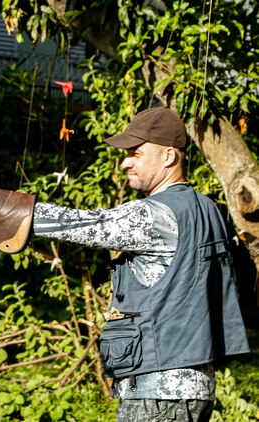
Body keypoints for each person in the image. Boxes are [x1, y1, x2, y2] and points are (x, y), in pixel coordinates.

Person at [29, 107, 250, 421]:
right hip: (195, 388)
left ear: (169, 157)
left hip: (157, 393)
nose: (125, 162)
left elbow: (81, 224)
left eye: (135, 154)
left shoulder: (153, 214)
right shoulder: (210, 210)